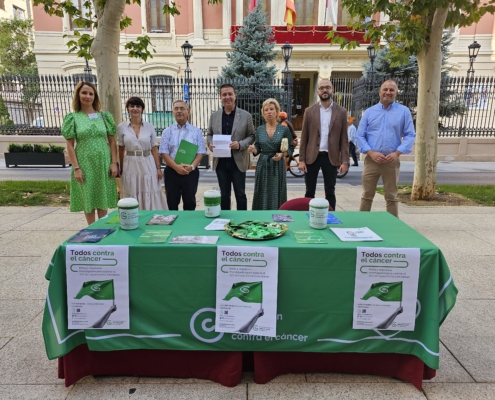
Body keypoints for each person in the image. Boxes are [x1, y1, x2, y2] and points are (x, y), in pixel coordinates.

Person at [356, 79, 416, 217]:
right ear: (380, 92)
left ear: (396, 93)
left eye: (391, 90)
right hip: (372, 161)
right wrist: (370, 152)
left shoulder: (403, 112)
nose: (388, 92)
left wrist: (397, 153)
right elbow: (360, 135)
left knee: (391, 196)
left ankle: (393, 226)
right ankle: (362, 223)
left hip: (391, 161)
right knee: (366, 195)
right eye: (385, 89)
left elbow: (410, 135)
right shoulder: (370, 112)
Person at [62, 81, 118, 225]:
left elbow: (112, 141)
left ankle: (102, 228)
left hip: (103, 162)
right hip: (84, 162)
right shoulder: (73, 118)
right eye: (84, 93)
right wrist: (76, 168)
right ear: (78, 95)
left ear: (95, 96)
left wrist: (114, 163)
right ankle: (91, 229)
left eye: (91, 93)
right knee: (88, 196)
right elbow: (69, 145)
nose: (88, 96)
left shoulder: (104, 117)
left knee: (102, 196)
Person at [298, 78, 349, 210]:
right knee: (309, 191)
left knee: (330, 191)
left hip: (331, 158)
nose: (325, 90)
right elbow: (304, 137)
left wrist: (345, 161)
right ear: (317, 91)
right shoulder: (309, 111)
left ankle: (331, 217)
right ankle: (307, 216)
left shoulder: (342, 112)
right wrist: (302, 160)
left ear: (332, 90)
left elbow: (344, 139)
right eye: (322, 88)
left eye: (327, 87)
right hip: (312, 157)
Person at [207, 84, 255, 210]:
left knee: (240, 194)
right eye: (224, 94)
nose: (227, 97)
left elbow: (251, 135)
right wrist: (210, 144)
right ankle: (225, 221)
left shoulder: (246, 115)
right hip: (221, 162)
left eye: (230, 94)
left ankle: (242, 221)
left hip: (238, 161)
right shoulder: (214, 116)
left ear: (235, 95)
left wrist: (240, 145)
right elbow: (209, 134)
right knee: (224, 195)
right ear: (220, 97)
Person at [117, 96, 168, 210]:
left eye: (138, 106)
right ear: (128, 109)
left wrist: (158, 168)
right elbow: (121, 148)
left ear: (142, 109)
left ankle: (151, 214)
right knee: (132, 189)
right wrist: (121, 167)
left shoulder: (149, 127)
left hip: (147, 161)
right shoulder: (121, 127)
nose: (135, 109)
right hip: (130, 162)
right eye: (132, 106)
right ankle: (133, 215)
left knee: (150, 188)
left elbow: (154, 148)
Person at [159, 100, 206, 210]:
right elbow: (163, 152)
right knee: (171, 202)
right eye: (176, 109)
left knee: (190, 202)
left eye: (182, 108)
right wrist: (176, 167)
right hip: (172, 172)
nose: (179, 111)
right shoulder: (167, 131)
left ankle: (188, 225)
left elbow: (201, 152)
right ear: (172, 112)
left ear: (188, 111)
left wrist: (192, 167)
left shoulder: (196, 131)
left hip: (190, 172)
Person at [248, 98, 294, 210]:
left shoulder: (284, 129)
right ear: (263, 113)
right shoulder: (259, 129)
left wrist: (283, 155)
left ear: (277, 111)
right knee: (262, 190)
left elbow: (291, 146)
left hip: (277, 166)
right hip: (263, 164)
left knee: (276, 191)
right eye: (266, 110)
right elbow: (258, 147)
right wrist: (254, 149)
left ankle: (278, 214)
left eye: (271, 109)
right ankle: (261, 214)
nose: (269, 112)